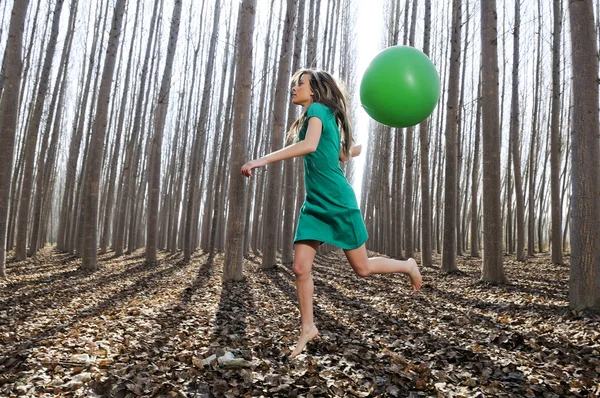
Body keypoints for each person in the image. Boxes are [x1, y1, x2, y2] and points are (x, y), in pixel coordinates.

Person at [241, 68, 422, 358]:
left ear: (314, 91)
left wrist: (262, 160)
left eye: (301, 83)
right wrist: (354, 150)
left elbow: (310, 146)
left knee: (362, 269)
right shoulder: (314, 117)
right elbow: (336, 153)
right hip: (315, 203)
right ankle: (308, 327)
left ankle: (408, 265)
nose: (294, 87)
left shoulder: (318, 109)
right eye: (294, 83)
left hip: (337, 200)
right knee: (300, 268)